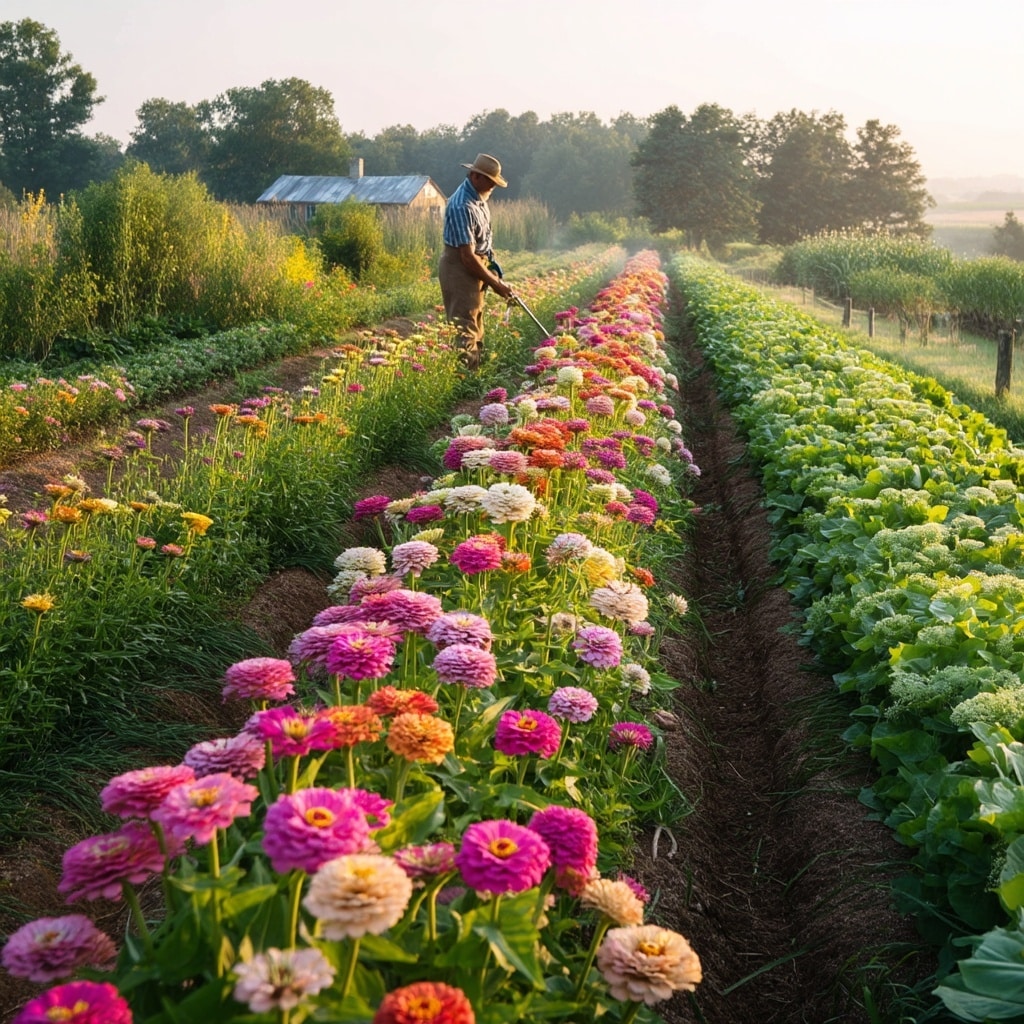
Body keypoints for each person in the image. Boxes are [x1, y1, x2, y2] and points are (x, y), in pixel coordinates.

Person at [439, 153, 516, 370]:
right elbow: (467, 256)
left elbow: (481, 244)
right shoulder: (462, 205)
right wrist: (495, 283)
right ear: (475, 176)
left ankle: (474, 376)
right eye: (489, 181)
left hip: (476, 263)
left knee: (476, 323)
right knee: (465, 327)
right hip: (460, 268)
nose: (492, 186)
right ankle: (464, 383)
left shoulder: (479, 199)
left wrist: (492, 269)